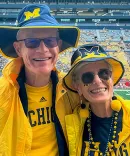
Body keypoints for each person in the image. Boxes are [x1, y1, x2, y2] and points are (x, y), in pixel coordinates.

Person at [0, 4, 80, 156]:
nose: (43, 49)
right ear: (18, 49)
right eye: (31, 42)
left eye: (50, 41)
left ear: (59, 45)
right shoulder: (2, 92)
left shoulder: (71, 87)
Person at [63, 44, 130, 156]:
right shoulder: (73, 125)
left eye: (104, 73)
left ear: (112, 79)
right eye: (87, 77)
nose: (98, 81)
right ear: (77, 87)